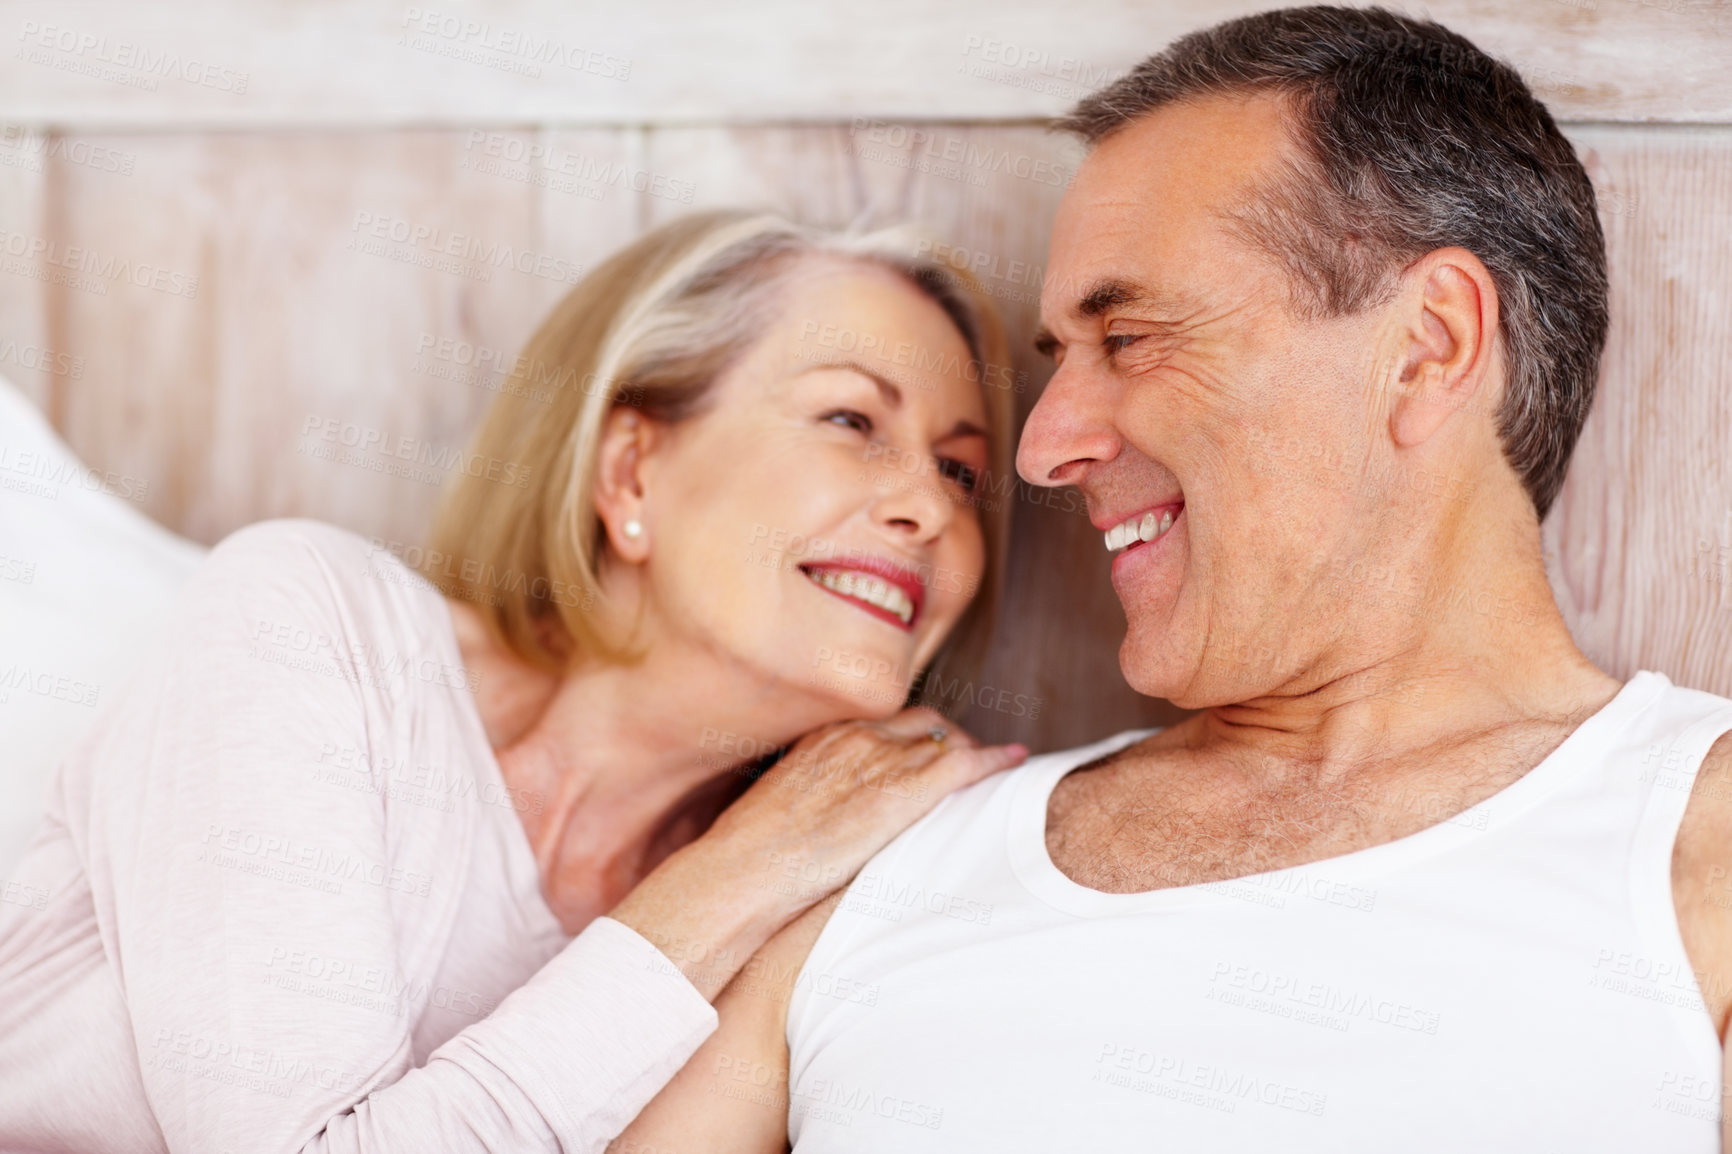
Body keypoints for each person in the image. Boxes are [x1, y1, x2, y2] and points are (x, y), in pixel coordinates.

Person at [609, 8, 1732, 1151]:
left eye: (1132, 337)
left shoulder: (1703, 839)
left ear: (1429, 343)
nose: (1041, 450)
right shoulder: (874, 856)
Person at [0, 210, 1030, 1153]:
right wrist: (738, 869)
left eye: (960, 471)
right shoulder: (313, 625)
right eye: (851, 420)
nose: (927, 507)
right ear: (628, 469)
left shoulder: (839, 880)